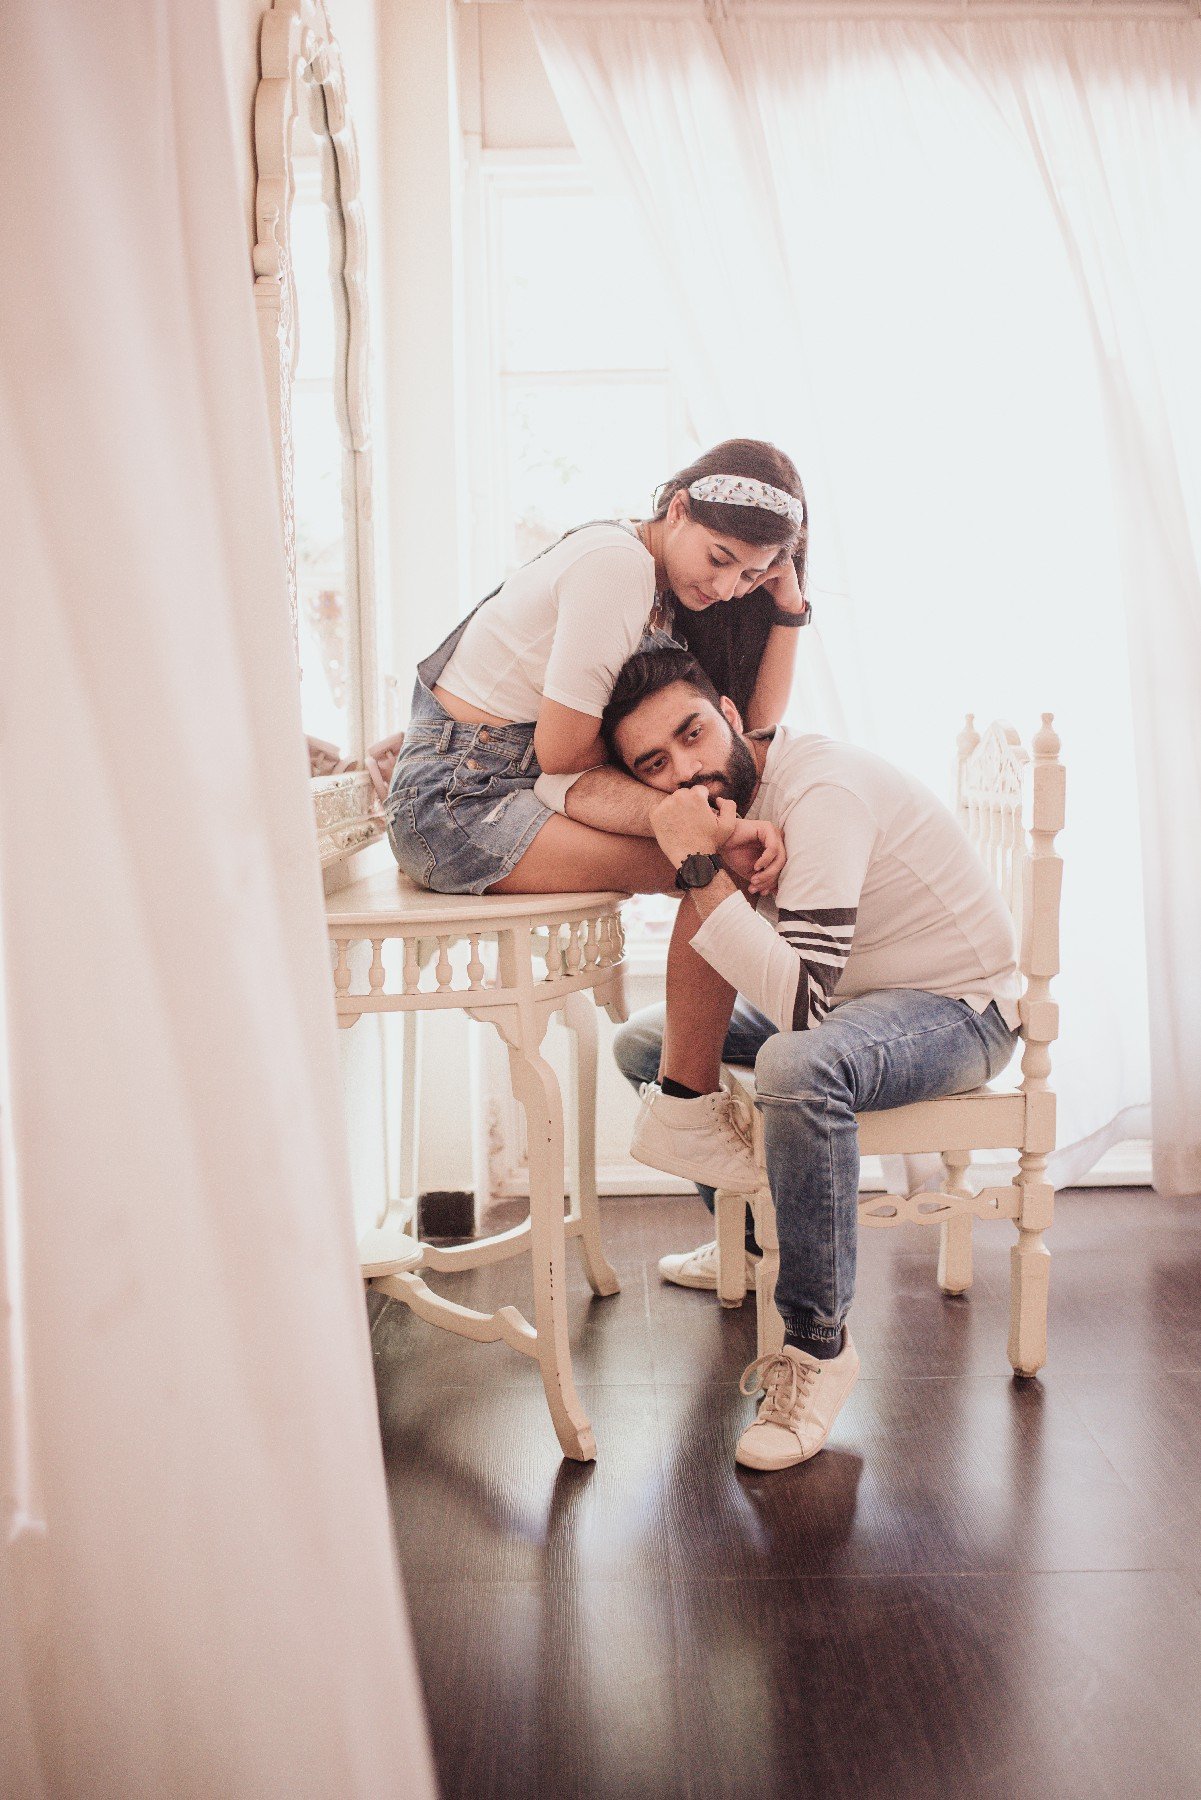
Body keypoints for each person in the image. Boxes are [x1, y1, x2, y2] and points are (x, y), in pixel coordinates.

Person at [574, 647, 1020, 1472]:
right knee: (650, 1043)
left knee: (793, 1065)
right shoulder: (744, 798)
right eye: (656, 766)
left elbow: (801, 1011)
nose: (688, 771)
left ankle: (817, 1347)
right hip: (860, 1002)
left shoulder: (821, 793)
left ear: (733, 717)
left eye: (694, 732)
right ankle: (743, 1236)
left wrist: (698, 864)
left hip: (959, 1010)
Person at [385, 441, 812, 1176]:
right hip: (461, 807)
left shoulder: (651, 582)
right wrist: (718, 827)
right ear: (675, 507)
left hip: (494, 783)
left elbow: (750, 729)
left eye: (749, 573)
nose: (728, 585)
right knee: (717, 866)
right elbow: (560, 753)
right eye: (717, 559)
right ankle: (689, 1107)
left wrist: (787, 610)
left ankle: (696, 1108)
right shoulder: (615, 565)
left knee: (722, 856)